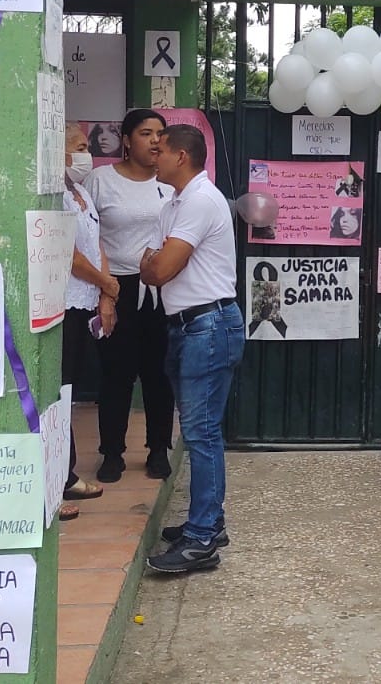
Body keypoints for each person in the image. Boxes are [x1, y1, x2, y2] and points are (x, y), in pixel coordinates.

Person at [141, 124, 245, 574]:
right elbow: (151, 261)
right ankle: (208, 523)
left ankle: (202, 539)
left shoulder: (200, 201)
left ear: (181, 156)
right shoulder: (176, 203)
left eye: (160, 149)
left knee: (201, 433)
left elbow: (158, 267)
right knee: (202, 431)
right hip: (192, 325)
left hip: (207, 324)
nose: (152, 153)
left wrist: (154, 263)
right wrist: (154, 263)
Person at [84, 109, 176, 482]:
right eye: (145, 133)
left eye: (160, 134)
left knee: (159, 374)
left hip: (162, 290)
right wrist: (105, 291)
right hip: (115, 286)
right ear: (125, 139)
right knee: (116, 375)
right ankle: (111, 454)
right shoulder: (100, 181)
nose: (155, 140)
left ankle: (158, 449)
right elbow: (88, 237)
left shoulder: (171, 186)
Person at [59, 124, 113, 520]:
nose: (86, 155)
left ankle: (67, 472)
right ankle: (56, 480)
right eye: (78, 147)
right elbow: (71, 255)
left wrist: (106, 292)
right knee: (56, 393)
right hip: (61, 304)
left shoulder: (80, 193)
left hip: (84, 303)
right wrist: (106, 282)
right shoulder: (54, 195)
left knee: (67, 392)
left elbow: (97, 245)